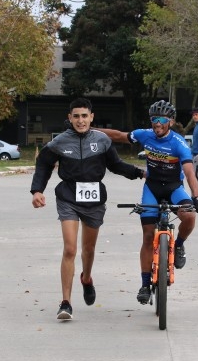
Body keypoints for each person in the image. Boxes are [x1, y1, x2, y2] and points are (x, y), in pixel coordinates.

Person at [31, 98, 145, 320]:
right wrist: (37, 190)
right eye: (76, 116)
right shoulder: (60, 142)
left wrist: (139, 173)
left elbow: (116, 165)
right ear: (70, 118)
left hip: (94, 201)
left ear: (91, 117)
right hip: (68, 198)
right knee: (70, 249)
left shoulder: (102, 140)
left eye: (84, 116)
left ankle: (86, 278)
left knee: (88, 250)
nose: (80, 120)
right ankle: (65, 303)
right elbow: (44, 164)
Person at [96, 100, 198, 304]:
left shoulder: (179, 143)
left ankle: (180, 245)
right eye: (153, 119)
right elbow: (117, 136)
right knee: (148, 236)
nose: (156, 123)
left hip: (174, 187)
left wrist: (197, 197)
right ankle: (145, 284)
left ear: (171, 122)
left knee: (189, 215)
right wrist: (89, 129)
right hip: (152, 187)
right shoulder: (144, 134)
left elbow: (189, 172)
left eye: (161, 120)